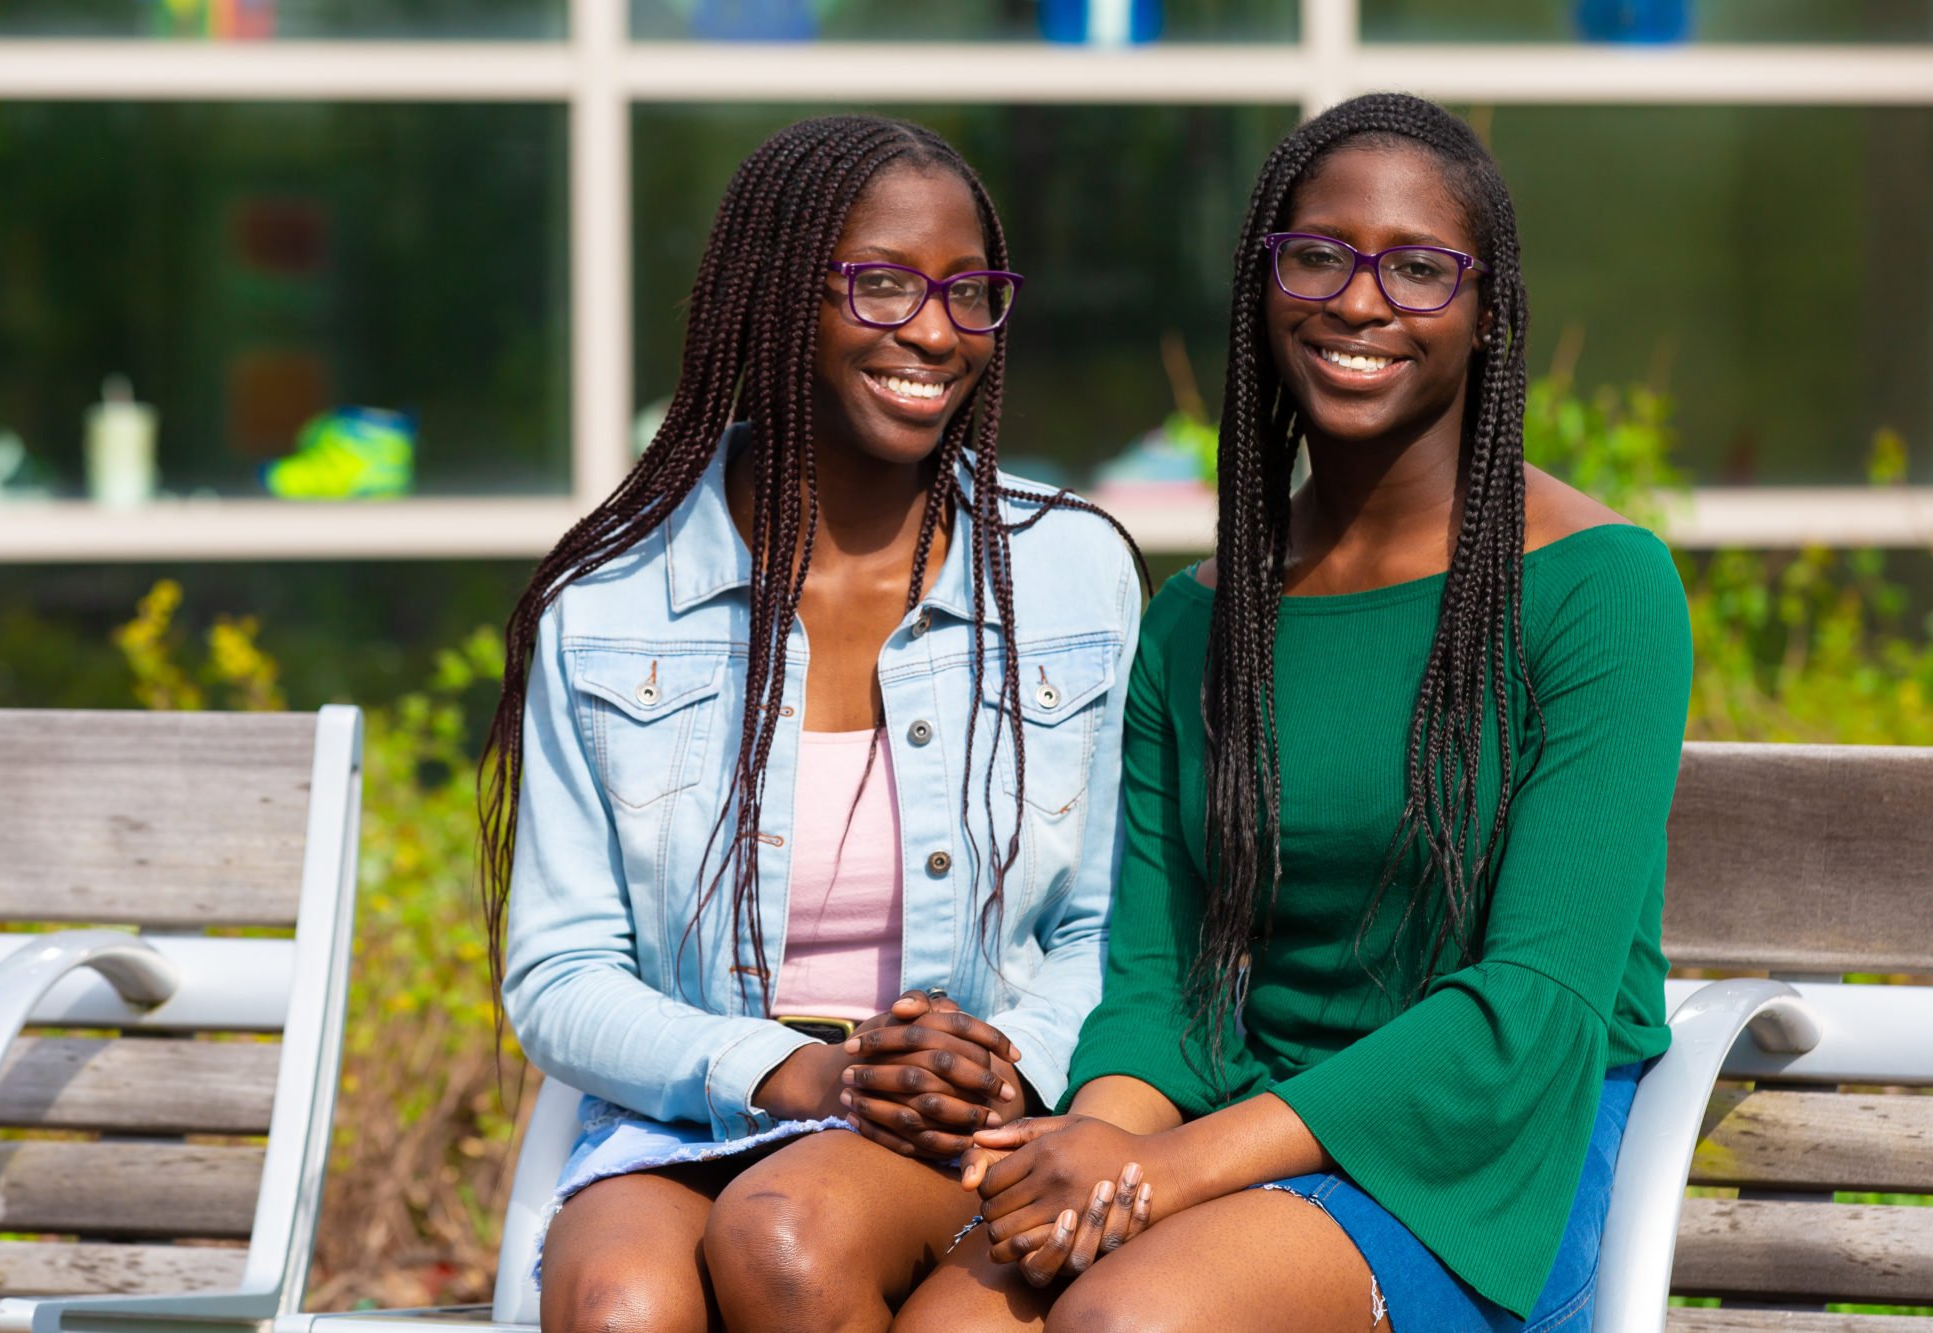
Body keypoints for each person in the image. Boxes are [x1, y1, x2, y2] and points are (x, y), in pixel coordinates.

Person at [897, 93, 1691, 1333]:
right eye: (1315, 255)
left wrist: (1162, 1172)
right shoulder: (1196, 623)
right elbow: (1160, 989)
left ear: (1488, 316)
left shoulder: (1598, 588)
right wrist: (1092, 1150)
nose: (1359, 302)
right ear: (1261, 285)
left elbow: (1528, 1006)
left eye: (1419, 269)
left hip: (1484, 1156)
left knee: (1130, 1320)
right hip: (1237, 1131)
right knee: (955, 1319)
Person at [475, 114, 1143, 1333]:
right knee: (618, 1304)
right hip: (694, 1105)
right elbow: (560, 973)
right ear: (775, 300)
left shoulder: (1067, 574)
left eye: (967, 292)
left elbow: (1112, 920)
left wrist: (1005, 1061)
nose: (934, 333)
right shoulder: (613, 600)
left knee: (782, 1238)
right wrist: (799, 1075)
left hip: (970, 1116)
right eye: (880, 286)